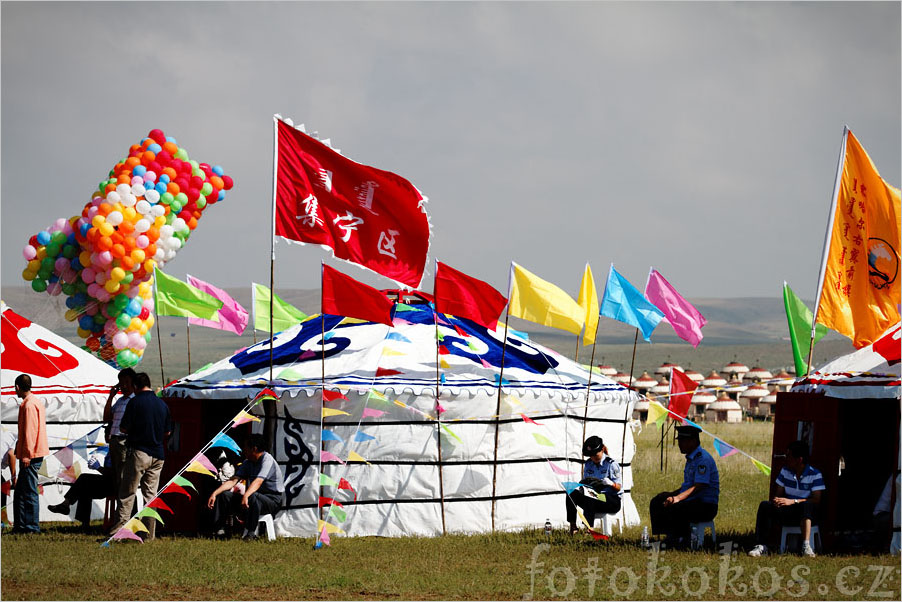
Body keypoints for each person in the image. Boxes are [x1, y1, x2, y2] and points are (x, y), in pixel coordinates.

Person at [109, 372, 172, 540]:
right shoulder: (162, 404)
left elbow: (123, 429)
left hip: (139, 453)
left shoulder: (134, 402)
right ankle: (148, 535)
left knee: (127, 493)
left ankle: (118, 533)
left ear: (135, 386)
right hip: (158, 455)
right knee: (151, 496)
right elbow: (168, 431)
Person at [748, 440, 824, 557]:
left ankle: (806, 545)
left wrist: (793, 501)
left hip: (804, 513)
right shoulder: (785, 471)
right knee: (765, 505)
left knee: (807, 505)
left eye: (789, 456)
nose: (786, 459)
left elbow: (816, 499)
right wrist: (777, 501)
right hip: (788, 511)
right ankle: (761, 545)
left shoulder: (815, 474)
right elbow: (778, 493)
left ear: (799, 459)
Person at [649, 424, 719, 547]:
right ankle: (667, 536)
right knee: (657, 501)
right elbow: (687, 486)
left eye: (682, 441)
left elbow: (699, 486)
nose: (679, 444)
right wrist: (672, 494)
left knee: (676, 507)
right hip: (693, 500)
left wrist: (677, 498)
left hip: (706, 505)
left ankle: (681, 539)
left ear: (692, 441)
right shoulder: (691, 459)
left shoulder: (702, 460)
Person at [207, 433, 284, 540]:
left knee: (254, 496)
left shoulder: (267, 460)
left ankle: (251, 533)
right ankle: (219, 531)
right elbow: (233, 480)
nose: (244, 450)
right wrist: (215, 493)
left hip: (272, 500)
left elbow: (258, 481)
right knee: (224, 495)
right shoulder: (248, 463)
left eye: (246, 447)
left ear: (254, 449)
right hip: (252, 499)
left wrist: (246, 495)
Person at [12, 374, 50, 534]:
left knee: (29, 491)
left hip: (31, 454)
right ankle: (21, 525)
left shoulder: (28, 406)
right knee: (21, 491)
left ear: (17, 387)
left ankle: (31, 527)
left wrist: (26, 453)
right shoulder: (36, 402)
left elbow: (30, 431)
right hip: (32, 451)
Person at [47, 448, 115, 531]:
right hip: (110, 482)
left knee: (84, 480)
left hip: (118, 486)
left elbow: (115, 475)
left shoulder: (119, 450)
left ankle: (66, 505)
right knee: (84, 488)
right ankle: (84, 524)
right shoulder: (113, 449)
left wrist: (98, 468)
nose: (107, 437)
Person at [566, 435, 622, 534]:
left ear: (602, 450)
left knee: (590, 496)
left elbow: (619, 487)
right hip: (595, 497)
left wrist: (611, 484)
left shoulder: (611, 464)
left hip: (612, 500)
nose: (593, 458)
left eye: (595, 455)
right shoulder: (589, 464)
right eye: (591, 456)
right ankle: (573, 527)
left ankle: (589, 529)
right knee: (571, 493)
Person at [103, 368, 137, 499]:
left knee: (124, 478)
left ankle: (127, 512)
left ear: (133, 383)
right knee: (117, 477)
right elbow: (106, 418)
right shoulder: (120, 401)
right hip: (114, 441)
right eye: (121, 383)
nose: (123, 386)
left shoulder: (134, 401)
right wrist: (111, 396)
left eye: (127, 382)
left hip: (124, 441)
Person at [1, 429, 17, 527]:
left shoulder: (8, 435)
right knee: (2, 489)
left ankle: (4, 520)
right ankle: (3, 521)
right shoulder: (18, 438)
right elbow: (12, 454)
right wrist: (13, 477)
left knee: (2, 488)